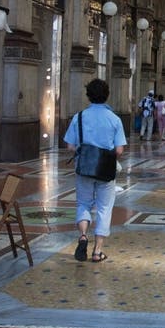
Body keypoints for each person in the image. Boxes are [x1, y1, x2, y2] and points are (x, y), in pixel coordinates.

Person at [64, 78, 126, 263]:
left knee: (83, 203)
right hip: (106, 171)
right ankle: (97, 251)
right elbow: (119, 150)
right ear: (107, 96)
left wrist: (86, 152)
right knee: (104, 208)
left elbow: (69, 146)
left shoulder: (79, 117)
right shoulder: (114, 119)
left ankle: (83, 236)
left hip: (84, 168)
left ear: (88, 96)